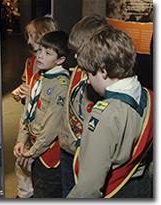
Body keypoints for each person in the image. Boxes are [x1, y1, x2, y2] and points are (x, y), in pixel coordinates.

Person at [67, 26, 153, 198]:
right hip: (141, 187)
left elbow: (88, 188)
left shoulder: (104, 116)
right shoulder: (149, 96)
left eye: (89, 74)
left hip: (116, 192)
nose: (89, 82)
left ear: (103, 71)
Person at [58, 14, 113, 198]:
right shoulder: (79, 71)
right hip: (67, 149)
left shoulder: (103, 83)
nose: (74, 56)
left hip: (87, 157)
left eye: (79, 50)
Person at [13, 31, 71, 198]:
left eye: (47, 53)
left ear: (60, 60)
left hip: (49, 155)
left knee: (47, 193)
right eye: (39, 50)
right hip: (35, 149)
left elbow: (51, 128)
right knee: (37, 189)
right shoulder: (39, 75)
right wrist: (21, 139)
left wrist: (33, 152)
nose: (39, 56)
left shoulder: (61, 85)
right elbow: (28, 109)